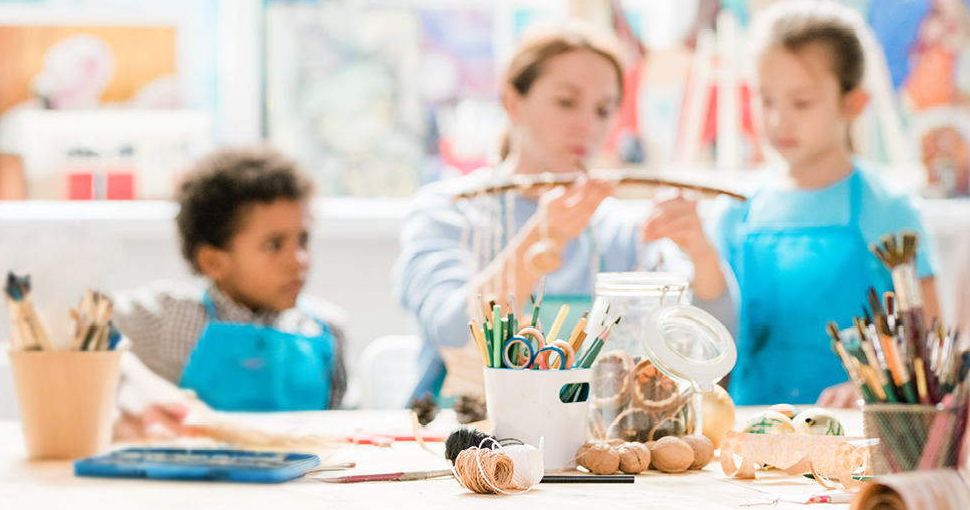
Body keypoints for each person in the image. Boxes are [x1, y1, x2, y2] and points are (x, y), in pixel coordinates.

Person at [395, 22, 734, 400]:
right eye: (566, 102)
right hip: (461, 444)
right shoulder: (451, 212)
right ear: (512, 103)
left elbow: (709, 352)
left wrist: (702, 255)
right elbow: (452, 332)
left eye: (604, 110)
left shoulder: (627, 233)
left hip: (590, 450)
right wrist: (542, 241)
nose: (587, 126)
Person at [710, 0, 940, 409]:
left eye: (801, 103)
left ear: (853, 103)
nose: (779, 120)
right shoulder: (735, 210)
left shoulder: (888, 208)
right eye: (766, 99)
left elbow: (928, 337)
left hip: (855, 442)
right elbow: (712, 341)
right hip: (750, 441)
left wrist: (875, 384)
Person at [113, 145, 349, 433]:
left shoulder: (327, 330)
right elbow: (77, 325)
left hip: (307, 477)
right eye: (274, 245)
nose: (298, 260)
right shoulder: (170, 317)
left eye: (302, 239)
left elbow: (345, 426)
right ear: (213, 261)